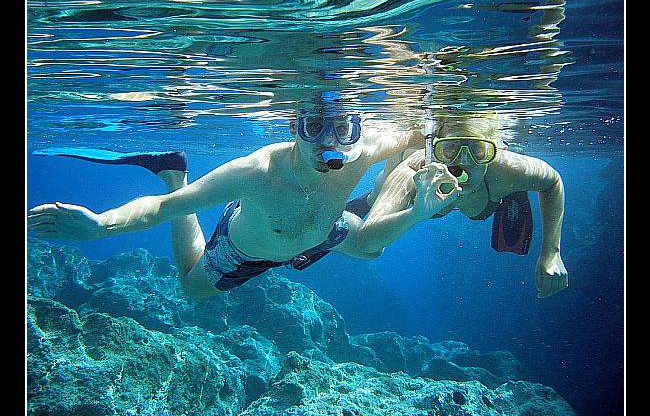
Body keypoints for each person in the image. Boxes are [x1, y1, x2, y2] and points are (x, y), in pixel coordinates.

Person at [28, 110, 421, 299]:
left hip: (323, 230)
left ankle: (374, 201)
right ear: (293, 127)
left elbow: (411, 135)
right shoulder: (257, 173)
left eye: (342, 129)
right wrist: (102, 226)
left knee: (372, 249)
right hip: (246, 250)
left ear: (357, 129)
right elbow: (164, 209)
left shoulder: (364, 149)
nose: (328, 143)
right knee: (192, 289)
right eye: (313, 127)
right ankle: (174, 173)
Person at [356, 114, 568, 298]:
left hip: (495, 184)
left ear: (495, 150)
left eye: (478, 150)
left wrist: (552, 253)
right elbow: (366, 243)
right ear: (433, 150)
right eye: (450, 149)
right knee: (378, 195)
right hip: (408, 165)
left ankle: (512, 190)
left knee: (510, 181)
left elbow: (553, 182)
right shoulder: (414, 170)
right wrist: (414, 214)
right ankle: (373, 196)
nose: (464, 161)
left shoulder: (505, 168)